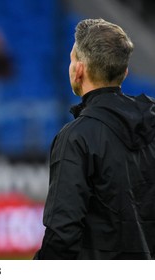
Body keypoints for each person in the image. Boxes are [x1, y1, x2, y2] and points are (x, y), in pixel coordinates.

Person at [35, 18, 155, 259]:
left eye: (72, 59)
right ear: (125, 72)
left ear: (79, 70)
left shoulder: (77, 137)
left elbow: (62, 232)